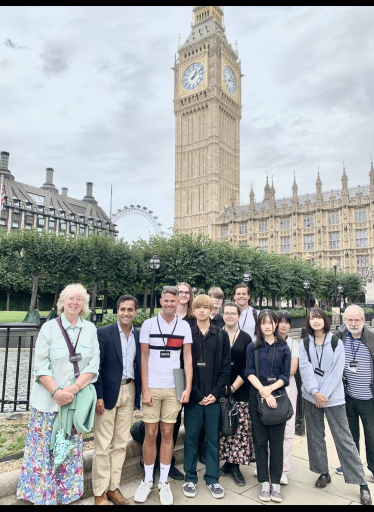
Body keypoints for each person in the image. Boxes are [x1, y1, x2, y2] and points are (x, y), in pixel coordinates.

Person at [17, 284, 100, 506]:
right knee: (44, 451)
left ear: (84, 305)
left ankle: (66, 496)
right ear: (62, 302)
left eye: (79, 299)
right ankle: (44, 497)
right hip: (47, 404)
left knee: (69, 451)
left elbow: (93, 365)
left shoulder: (90, 329)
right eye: (71, 298)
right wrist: (56, 392)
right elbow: (41, 366)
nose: (75, 302)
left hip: (74, 403)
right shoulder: (49, 329)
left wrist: (71, 391)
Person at [299, 307, 371, 506]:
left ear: (325, 320)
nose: (315, 321)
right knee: (315, 437)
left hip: (334, 398)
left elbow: (338, 371)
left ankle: (361, 483)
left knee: (344, 439)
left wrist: (325, 395)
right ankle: (323, 472)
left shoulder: (336, 342)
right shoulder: (305, 343)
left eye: (318, 318)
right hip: (311, 397)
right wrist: (315, 393)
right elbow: (305, 371)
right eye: (312, 318)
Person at [134, 287, 193, 506]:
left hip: (174, 385)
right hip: (153, 385)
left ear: (178, 301)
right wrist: (145, 389)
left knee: (168, 433)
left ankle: (164, 482)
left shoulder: (184, 326)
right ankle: (148, 479)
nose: (169, 304)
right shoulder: (149, 324)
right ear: (161, 301)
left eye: (173, 300)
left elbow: (187, 358)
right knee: (151, 433)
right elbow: (144, 358)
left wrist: (186, 387)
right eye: (166, 300)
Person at [92, 294, 141, 505]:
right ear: (117, 310)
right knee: (102, 445)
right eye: (122, 309)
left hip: (129, 390)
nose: (126, 313)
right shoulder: (103, 333)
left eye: (130, 310)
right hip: (108, 392)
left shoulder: (139, 335)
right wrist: (99, 395)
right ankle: (99, 492)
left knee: (120, 444)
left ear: (135, 312)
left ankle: (113, 488)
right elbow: (96, 367)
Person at [182, 295, 231, 499]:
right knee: (191, 438)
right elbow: (182, 366)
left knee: (212, 439)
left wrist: (215, 393)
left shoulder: (220, 335)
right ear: (193, 310)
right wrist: (195, 393)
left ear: (211, 309)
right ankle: (190, 478)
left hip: (212, 398)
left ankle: (212, 478)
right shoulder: (188, 333)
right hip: (194, 398)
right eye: (198, 307)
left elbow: (225, 367)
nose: (202, 311)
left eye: (205, 307)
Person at [245, 309, 291, 503]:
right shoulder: (252, 347)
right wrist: (264, 392)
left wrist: (270, 390)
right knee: (260, 442)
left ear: (275, 324)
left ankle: (276, 483)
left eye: (270, 322)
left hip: (278, 397)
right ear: (259, 325)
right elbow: (249, 372)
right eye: (263, 322)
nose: (267, 325)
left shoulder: (283, 348)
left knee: (277, 443)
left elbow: (285, 377)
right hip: (257, 396)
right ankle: (264, 482)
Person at [334, 305, 374, 479]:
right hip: (348, 395)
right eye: (349, 319)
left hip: (369, 397)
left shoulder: (372, 338)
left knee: (371, 436)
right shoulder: (340, 336)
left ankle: (373, 468)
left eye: (356, 319)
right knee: (350, 435)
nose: (353, 323)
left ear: (363, 321)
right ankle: (351, 465)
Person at [219, 301, 253, 486]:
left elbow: (247, 367)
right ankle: (227, 462)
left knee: (238, 427)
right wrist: (221, 388)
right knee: (223, 428)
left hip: (239, 390)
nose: (230, 315)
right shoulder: (217, 335)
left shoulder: (246, 338)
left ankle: (236, 466)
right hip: (219, 389)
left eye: (233, 313)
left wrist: (232, 388)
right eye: (227, 313)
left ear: (239, 316)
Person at [276, 310, 299, 485]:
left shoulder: (293, 344)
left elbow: (292, 370)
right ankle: (269, 464)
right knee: (268, 427)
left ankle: (283, 469)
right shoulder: (268, 341)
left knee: (287, 432)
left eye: (287, 322)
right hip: (269, 390)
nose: (283, 324)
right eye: (280, 321)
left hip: (288, 389)